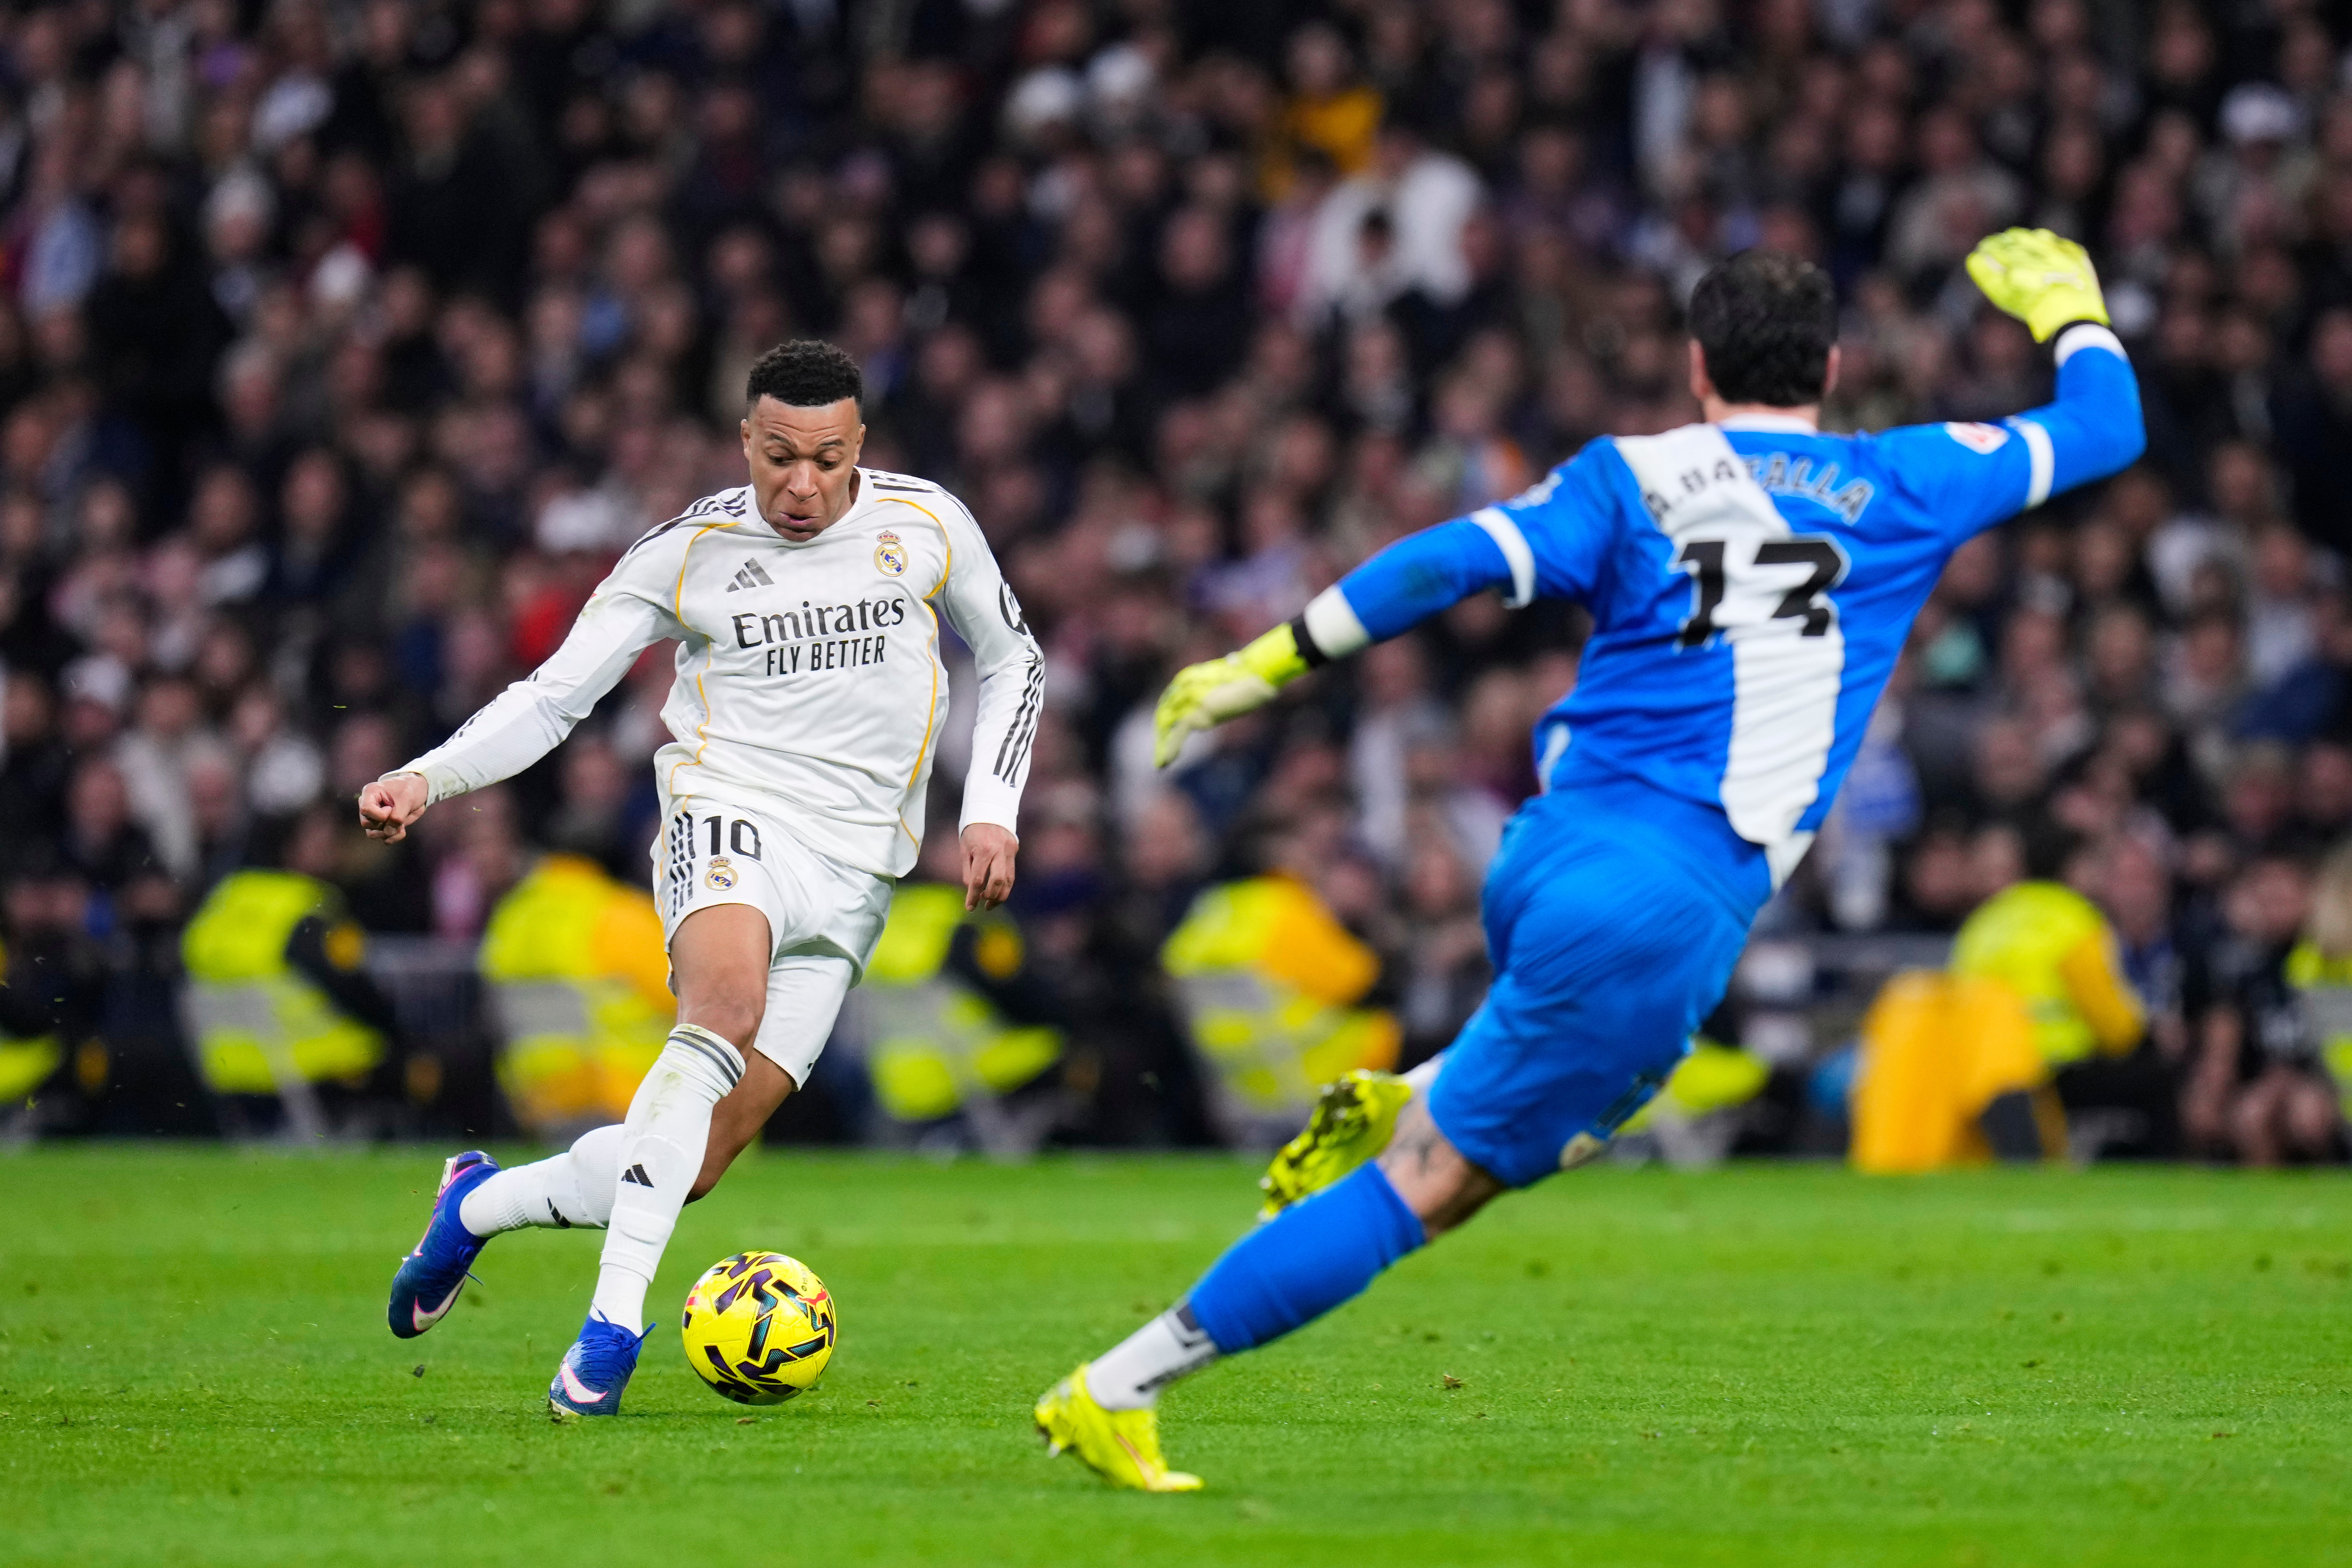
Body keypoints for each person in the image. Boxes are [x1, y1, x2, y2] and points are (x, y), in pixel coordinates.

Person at [1033, 230, 2147, 1490]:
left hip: (1547, 850)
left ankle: (1428, 1086)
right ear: (1832, 367)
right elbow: (2105, 428)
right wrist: (2071, 312)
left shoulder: (1630, 475)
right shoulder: (1909, 478)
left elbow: (1450, 558)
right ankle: (1118, 1387)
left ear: (1697, 366)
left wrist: (1264, 662)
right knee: (1428, 1191)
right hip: (1663, 903)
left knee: (1528, 1133)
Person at [362, 340, 1042, 1418]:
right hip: (731, 814)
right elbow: (556, 696)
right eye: (780, 457)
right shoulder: (687, 551)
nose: (803, 483)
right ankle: (610, 1330)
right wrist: (426, 777)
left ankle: (477, 1205)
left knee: (698, 1158)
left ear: (859, 445)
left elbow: (1012, 659)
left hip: (859, 872)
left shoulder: (928, 523)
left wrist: (992, 810)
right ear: (745, 442)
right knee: (719, 1011)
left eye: (827, 459)